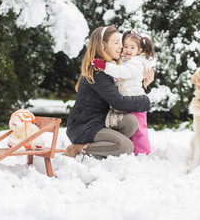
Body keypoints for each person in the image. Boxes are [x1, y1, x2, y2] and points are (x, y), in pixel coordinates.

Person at [63, 26, 153, 158]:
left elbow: (124, 90)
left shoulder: (111, 67)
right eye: (116, 43)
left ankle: (103, 149)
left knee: (131, 121)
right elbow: (118, 102)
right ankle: (78, 149)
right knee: (126, 146)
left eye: (120, 43)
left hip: (101, 121)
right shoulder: (97, 70)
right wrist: (145, 101)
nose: (121, 47)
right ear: (102, 46)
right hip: (84, 126)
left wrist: (144, 87)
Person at [92, 30, 155, 155]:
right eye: (125, 46)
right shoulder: (125, 61)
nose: (128, 50)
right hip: (129, 101)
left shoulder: (135, 63)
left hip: (135, 102)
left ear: (139, 51)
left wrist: (104, 66)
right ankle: (131, 149)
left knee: (139, 129)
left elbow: (121, 72)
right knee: (133, 127)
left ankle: (142, 151)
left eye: (132, 47)